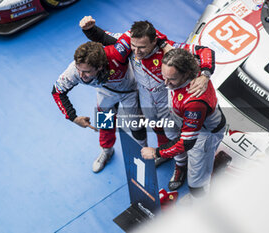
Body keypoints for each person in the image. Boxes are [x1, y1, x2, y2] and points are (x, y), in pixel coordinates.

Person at [80, 16, 216, 189]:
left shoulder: (171, 50)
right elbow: (103, 37)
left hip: (165, 100)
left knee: (173, 135)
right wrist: (89, 29)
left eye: (142, 47)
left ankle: (180, 166)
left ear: (154, 41)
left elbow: (205, 51)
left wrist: (205, 75)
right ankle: (110, 150)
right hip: (142, 97)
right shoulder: (128, 43)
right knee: (141, 124)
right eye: (134, 46)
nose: (136, 52)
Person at [141, 49, 226, 197]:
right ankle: (180, 166)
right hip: (179, 115)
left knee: (196, 182)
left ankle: (200, 203)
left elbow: (186, 143)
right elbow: (205, 50)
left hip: (203, 135)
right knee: (170, 133)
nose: (165, 83)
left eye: (171, 79)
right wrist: (206, 73)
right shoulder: (186, 61)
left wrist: (157, 152)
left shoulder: (195, 100)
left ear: (186, 74)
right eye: (164, 76)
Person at [52, 41, 147, 173]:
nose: (80, 75)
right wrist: (73, 117)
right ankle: (107, 151)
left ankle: (143, 152)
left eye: (86, 72)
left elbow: (136, 37)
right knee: (104, 123)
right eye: (79, 69)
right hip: (105, 93)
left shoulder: (117, 54)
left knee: (136, 124)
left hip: (129, 90)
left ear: (100, 66)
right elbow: (57, 91)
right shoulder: (73, 71)